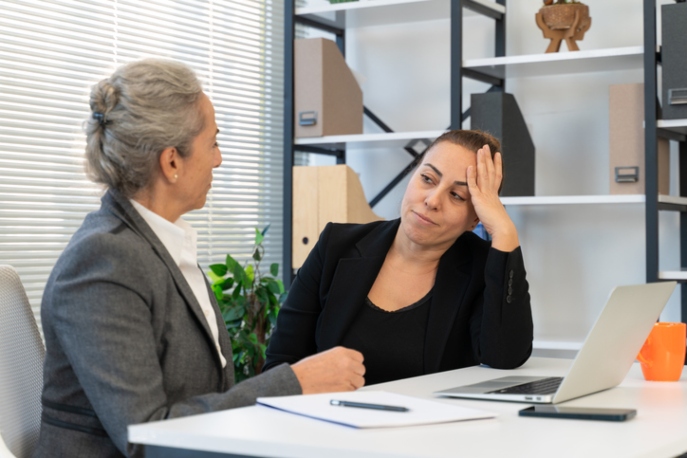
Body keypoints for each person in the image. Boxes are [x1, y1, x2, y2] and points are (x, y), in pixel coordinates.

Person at [34, 59, 365, 458]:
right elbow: (146, 436)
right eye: (214, 143)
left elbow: (203, 393)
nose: (219, 159)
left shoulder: (160, 244)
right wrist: (294, 383)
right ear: (172, 161)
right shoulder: (102, 262)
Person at [264, 129, 533, 385]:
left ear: (475, 218)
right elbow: (281, 365)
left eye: (456, 195)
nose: (432, 200)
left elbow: (504, 357)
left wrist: (504, 230)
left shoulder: (485, 267)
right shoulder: (336, 246)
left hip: (434, 429)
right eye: (427, 179)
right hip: (328, 425)